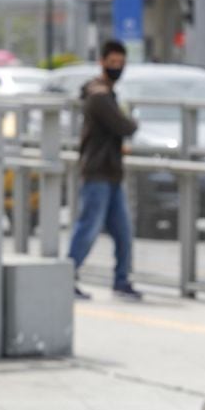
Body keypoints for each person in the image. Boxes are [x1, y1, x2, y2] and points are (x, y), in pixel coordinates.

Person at [67, 39, 141, 301]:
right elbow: (124, 126)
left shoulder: (106, 93)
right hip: (97, 172)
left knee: (123, 232)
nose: (117, 67)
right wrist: (131, 122)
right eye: (112, 62)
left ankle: (121, 281)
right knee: (88, 228)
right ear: (102, 62)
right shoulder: (99, 96)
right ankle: (66, 277)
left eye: (121, 63)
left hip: (111, 173)